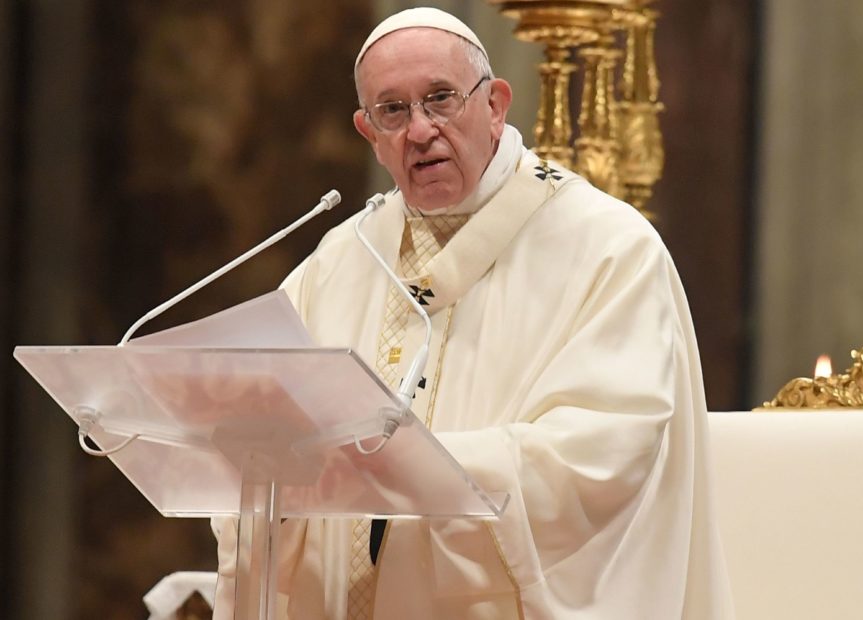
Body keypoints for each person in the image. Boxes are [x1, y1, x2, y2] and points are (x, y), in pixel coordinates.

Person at [213, 7, 732, 619]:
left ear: (495, 105)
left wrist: (413, 468)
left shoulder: (606, 247)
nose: (421, 130)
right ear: (368, 133)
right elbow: (267, 429)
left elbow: (608, 450)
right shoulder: (340, 260)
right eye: (394, 111)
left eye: (441, 99)